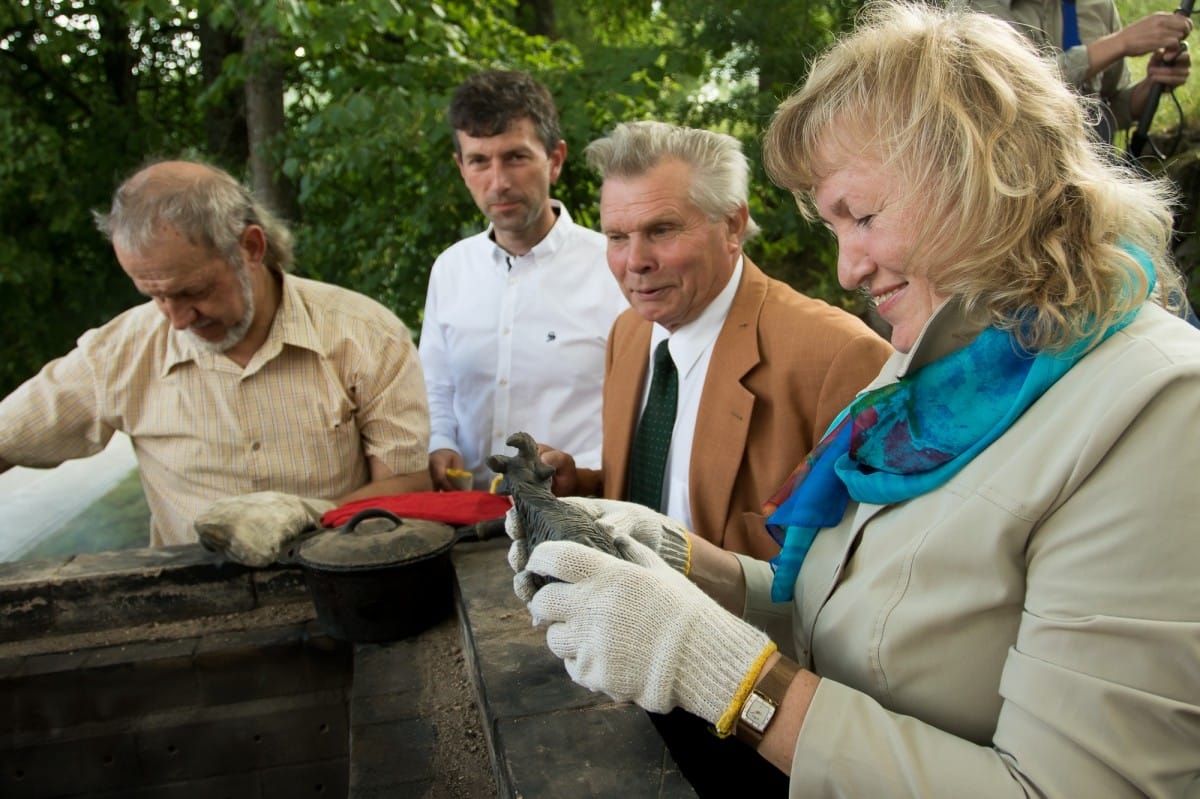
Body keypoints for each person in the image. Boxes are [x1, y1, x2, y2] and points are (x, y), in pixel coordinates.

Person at [505, 3, 1200, 796]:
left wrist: (733, 682)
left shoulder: (1163, 408)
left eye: (861, 216)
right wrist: (675, 559)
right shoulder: (931, 366)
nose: (846, 270)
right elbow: (833, 607)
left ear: (982, 174)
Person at [0, 159, 432, 555]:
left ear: (251, 247)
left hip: (341, 590)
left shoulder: (366, 336)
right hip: (191, 613)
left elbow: (408, 486)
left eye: (192, 292)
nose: (177, 319)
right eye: (155, 296)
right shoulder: (119, 353)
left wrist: (305, 514)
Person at [539, 120, 892, 560]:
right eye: (616, 237)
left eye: (661, 230)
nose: (635, 261)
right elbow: (654, 497)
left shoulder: (839, 356)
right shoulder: (628, 334)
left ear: (732, 226)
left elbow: (869, 560)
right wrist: (580, 487)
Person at [419, 69, 627, 492]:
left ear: (555, 160)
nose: (498, 181)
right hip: (466, 518)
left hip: (579, 515)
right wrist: (440, 442)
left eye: (516, 157)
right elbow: (435, 387)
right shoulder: (450, 269)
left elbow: (640, 409)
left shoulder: (615, 267)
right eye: (479, 161)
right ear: (461, 168)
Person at [969, 0, 1192, 143]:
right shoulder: (979, 9)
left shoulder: (1097, 6)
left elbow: (1108, 109)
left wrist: (1153, 84)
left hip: (1090, 192)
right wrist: (1118, 44)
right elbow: (1012, 89)